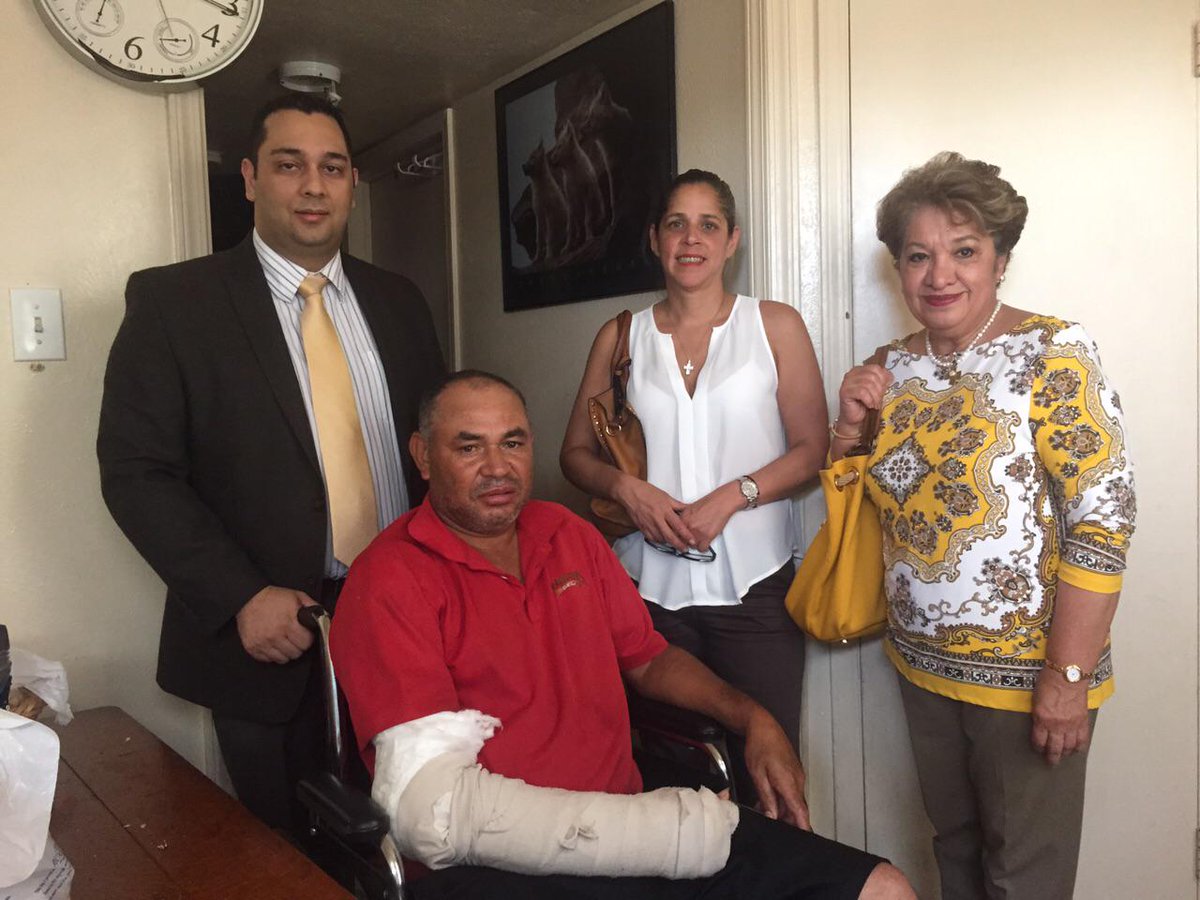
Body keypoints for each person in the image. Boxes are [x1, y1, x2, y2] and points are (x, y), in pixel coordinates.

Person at [330, 370, 913, 899]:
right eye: (468, 447)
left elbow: (649, 659)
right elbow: (435, 812)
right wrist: (667, 834)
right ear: (423, 455)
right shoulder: (389, 578)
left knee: (883, 889)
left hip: (635, 826)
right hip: (491, 866)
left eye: (513, 443)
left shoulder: (568, 534)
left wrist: (751, 716)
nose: (498, 467)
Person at [96, 93, 445, 840]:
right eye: (290, 166)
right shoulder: (175, 302)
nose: (313, 186)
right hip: (268, 632)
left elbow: (436, 449)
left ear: (353, 183)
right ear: (251, 179)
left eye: (332, 168)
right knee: (283, 850)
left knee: (416, 825)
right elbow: (136, 471)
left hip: (403, 613)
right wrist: (239, 595)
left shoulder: (401, 302)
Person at [830, 151, 1135, 898]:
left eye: (963, 252)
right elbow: (862, 501)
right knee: (956, 851)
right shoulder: (889, 367)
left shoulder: (1053, 353)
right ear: (899, 269)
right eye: (918, 256)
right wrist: (849, 427)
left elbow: (1104, 521)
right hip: (921, 666)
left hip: (1030, 675)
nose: (940, 275)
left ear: (1000, 259)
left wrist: (1066, 678)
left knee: (1024, 874)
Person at [559, 169, 828, 802]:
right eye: (677, 223)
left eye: (709, 225)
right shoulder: (620, 336)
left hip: (755, 592)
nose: (691, 238)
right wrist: (628, 491)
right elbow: (573, 456)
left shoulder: (774, 325)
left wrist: (735, 495)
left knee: (767, 774)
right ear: (655, 237)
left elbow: (811, 448)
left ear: (732, 240)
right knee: (669, 782)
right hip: (645, 596)